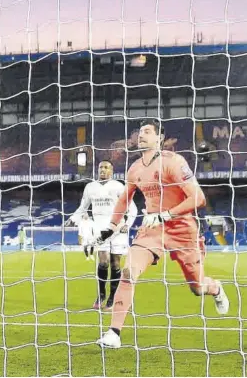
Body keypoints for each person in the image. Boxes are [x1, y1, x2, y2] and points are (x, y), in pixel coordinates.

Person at [96, 119, 229, 349]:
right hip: (152, 229)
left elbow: (198, 198)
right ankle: (113, 333)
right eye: (140, 132)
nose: (141, 135)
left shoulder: (174, 162)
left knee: (197, 288)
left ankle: (216, 288)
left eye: (148, 132)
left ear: (160, 138)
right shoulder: (135, 168)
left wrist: (165, 214)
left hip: (182, 229)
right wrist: (111, 226)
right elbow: (124, 199)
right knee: (128, 271)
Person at [66, 160, 137, 311]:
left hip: (117, 227)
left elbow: (132, 207)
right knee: (103, 261)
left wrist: (127, 224)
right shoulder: (90, 187)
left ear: (112, 170)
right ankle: (102, 294)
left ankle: (113, 297)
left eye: (106, 167)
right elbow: (82, 207)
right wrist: (72, 219)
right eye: (100, 167)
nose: (103, 170)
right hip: (99, 228)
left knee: (115, 263)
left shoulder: (118, 186)